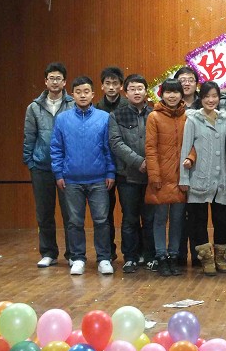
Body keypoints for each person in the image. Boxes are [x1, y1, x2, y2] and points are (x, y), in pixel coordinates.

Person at [50, 76, 115, 275]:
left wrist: (110, 171)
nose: (83, 95)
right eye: (78, 92)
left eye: (86, 91)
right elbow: (56, 148)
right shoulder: (62, 119)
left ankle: (104, 258)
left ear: (93, 94)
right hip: (71, 180)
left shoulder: (104, 117)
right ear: (72, 95)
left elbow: (109, 148)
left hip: (99, 179)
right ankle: (77, 258)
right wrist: (58, 173)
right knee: (74, 221)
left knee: (101, 220)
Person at [23, 62, 74, 268]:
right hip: (41, 166)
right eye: (51, 78)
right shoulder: (34, 107)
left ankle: (73, 254)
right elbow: (29, 137)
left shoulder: (72, 104)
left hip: (67, 167)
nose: (55, 82)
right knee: (44, 213)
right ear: (45, 81)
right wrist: (30, 162)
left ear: (64, 82)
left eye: (58, 78)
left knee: (70, 213)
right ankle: (48, 253)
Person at [179, 81, 226, 276]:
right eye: (207, 96)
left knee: (222, 220)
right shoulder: (193, 120)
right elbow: (186, 149)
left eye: (214, 96)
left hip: (222, 180)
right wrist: (184, 179)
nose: (211, 100)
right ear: (201, 98)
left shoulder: (225, 119)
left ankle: (220, 256)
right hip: (198, 178)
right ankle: (206, 259)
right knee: (198, 220)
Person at [108, 74, 155, 274]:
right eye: (132, 89)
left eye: (140, 88)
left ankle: (150, 256)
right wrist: (138, 162)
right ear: (125, 92)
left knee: (150, 219)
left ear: (146, 91)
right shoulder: (116, 115)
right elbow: (116, 143)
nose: (137, 92)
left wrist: (150, 163)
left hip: (152, 176)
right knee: (129, 218)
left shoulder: (154, 114)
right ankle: (130, 257)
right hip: (127, 176)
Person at [144, 79, 187, 277]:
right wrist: (154, 175)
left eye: (176, 92)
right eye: (168, 92)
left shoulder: (187, 116)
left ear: (181, 94)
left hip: (182, 176)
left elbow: (194, 144)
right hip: (161, 177)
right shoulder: (154, 117)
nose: (172, 96)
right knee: (160, 219)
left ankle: (174, 256)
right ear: (162, 94)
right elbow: (150, 149)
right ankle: (161, 256)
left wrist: (191, 159)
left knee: (177, 220)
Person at [96, 66, 128, 263]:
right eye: (107, 83)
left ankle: (132, 253)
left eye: (115, 83)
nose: (111, 87)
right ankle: (107, 252)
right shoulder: (96, 108)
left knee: (129, 212)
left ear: (121, 86)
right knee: (105, 212)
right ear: (101, 86)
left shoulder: (128, 106)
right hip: (103, 167)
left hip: (126, 166)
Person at [173, 66, 201, 267]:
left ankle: (199, 255)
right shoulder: (172, 106)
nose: (186, 83)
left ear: (196, 83)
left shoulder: (205, 103)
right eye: (182, 80)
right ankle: (179, 254)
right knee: (178, 214)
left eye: (190, 79)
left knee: (197, 213)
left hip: (200, 164)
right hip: (177, 165)